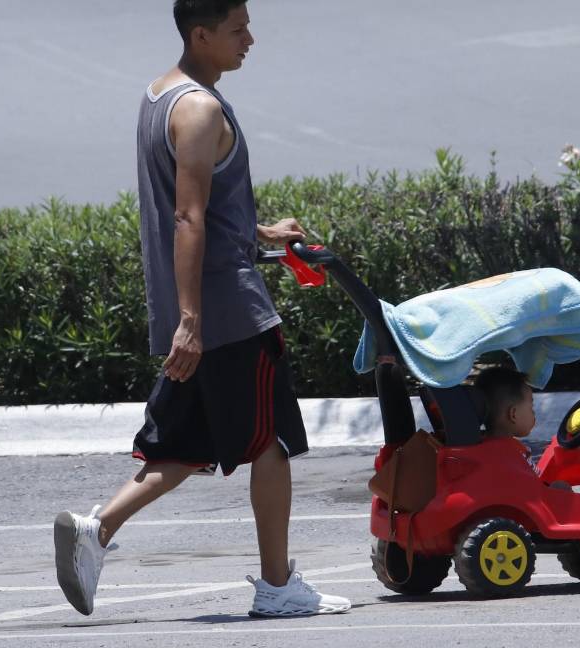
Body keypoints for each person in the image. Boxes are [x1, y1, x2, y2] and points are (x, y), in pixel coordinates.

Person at [53, 0, 350, 619]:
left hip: (195, 305)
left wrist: (260, 232)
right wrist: (192, 322)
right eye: (238, 29)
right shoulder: (200, 109)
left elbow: (198, 204)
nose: (250, 39)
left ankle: (94, 530)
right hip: (227, 311)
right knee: (271, 442)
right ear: (200, 34)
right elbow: (187, 217)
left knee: (186, 443)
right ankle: (278, 587)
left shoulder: (159, 96)